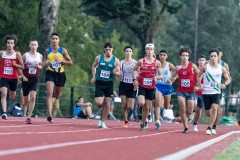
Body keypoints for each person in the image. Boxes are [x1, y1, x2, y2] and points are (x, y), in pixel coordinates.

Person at [197, 48, 230, 135]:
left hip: (216, 92)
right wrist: (200, 85)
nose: (213, 58)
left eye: (215, 56)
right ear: (209, 57)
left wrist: (224, 84)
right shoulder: (205, 67)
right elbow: (198, 76)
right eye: (211, 56)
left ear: (218, 57)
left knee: (215, 108)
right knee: (208, 113)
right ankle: (213, 122)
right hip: (206, 92)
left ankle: (210, 127)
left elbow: (228, 79)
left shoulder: (222, 68)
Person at [131, 43, 162, 130]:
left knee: (147, 107)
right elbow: (133, 70)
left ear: (153, 51)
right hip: (142, 86)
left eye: (151, 49)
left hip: (151, 87)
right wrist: (135, 80)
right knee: (141, 103)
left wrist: (157, 77)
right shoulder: (141, 61)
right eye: (148, 49)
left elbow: (161, 75)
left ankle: (143, 123)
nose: (149, 51)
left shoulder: (157, 63)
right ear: (145, 50)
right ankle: (140, 107)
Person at [91, 42, 120, 128]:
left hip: (109, 83)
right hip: (99, 82)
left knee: (107, 103)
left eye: (109, 50)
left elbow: (118, 72)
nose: (108, 51)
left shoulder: (115, 60)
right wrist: (93, 76)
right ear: (104, 50)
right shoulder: (99, 58)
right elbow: (93, 66)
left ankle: (102, 121)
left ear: (112, 50)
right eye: (106, 50)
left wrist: (116, 73)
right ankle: (102, 108)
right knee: (98, 102)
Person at [45, 32, 73, 123]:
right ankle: (49, 114)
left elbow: (71, 63)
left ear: (58, 40)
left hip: (60, 75)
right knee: (49, 93)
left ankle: (56, 101)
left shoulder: (63, 50)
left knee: (56, 95)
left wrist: (61, 61)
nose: (54, 40)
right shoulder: (47, 50)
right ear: (51, 40)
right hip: (50, 73)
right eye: (53, 38)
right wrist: (41, 64)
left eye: (56, 38)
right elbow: (46, 60)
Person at [170, 46, 199, 133]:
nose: (184, 57)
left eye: (186, 55)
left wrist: (197, 85)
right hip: (181, 91)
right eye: (183, 55)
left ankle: (190, 114)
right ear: (180, 57)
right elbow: (173, 77)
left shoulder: (192, 66)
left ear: (188, 57)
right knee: (182, 108)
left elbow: (200, 75)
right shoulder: (177, 67)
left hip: (191, 91)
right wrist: (170, 80)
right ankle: (186, 127)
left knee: (189, 112)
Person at [0, 34, 24, 120]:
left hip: (14, 78)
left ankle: (9, 105)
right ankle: (4, 113)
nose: (10, 45)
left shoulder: (17, 54)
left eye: (11, 43)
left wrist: (15, 65)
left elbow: (22, 67)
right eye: (8, 43)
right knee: (3, 94)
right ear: (6, 44)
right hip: (4, 77)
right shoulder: (2, 53)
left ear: (14, 44)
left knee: (11, 97)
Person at [19, 40, 42, 124]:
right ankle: (24, 109)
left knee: (33, 97)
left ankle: (29, 116)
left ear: (37, 46)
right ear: (29, 45)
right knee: (26, 100)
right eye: (32, 44)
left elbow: (40, 66)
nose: (33, 46)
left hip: (34, 79)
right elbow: (19, 67)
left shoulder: (40, 56)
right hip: (26, 79)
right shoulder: (25, 55)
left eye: (35, 44)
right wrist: (23, 76)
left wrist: (39, 67)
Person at [155, 49, 175, 124]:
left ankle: (163, 110)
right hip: (159, 85)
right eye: (161, 55)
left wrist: (172, 80)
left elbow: (177, 73)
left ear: (166, 56)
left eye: (164, 55)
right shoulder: (156, 63)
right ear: (159, 56)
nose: (162, 57)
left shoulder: (169, 65)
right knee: (157, 103)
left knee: (166, 106)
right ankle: (157, 120)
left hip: (167, 86)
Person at [119, 46, 136, 128]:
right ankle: (126, 122)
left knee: (130, 106)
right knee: (124, 104)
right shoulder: (121, 62)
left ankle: (133, 113)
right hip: (123, 84)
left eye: (130, 51)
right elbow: (117, 71)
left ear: (132, 53)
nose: (128, 52)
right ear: (124, 53)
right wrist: (117, 73)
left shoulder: (135, 63)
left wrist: (137, 79)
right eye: (127, 51)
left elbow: (139, 72)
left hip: (132, 85)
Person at [192, 55, 206, 132]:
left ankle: (195, 123)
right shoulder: (194, 71)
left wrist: (201, 87)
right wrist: (195, 86)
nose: (201, 62)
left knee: (199, 110)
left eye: (203, 60)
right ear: (198, 62)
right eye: (200, 60)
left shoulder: (207, 71)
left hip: (203, 93)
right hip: (194, 92)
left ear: (205, 62)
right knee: (194, 104)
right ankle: (191, 112)